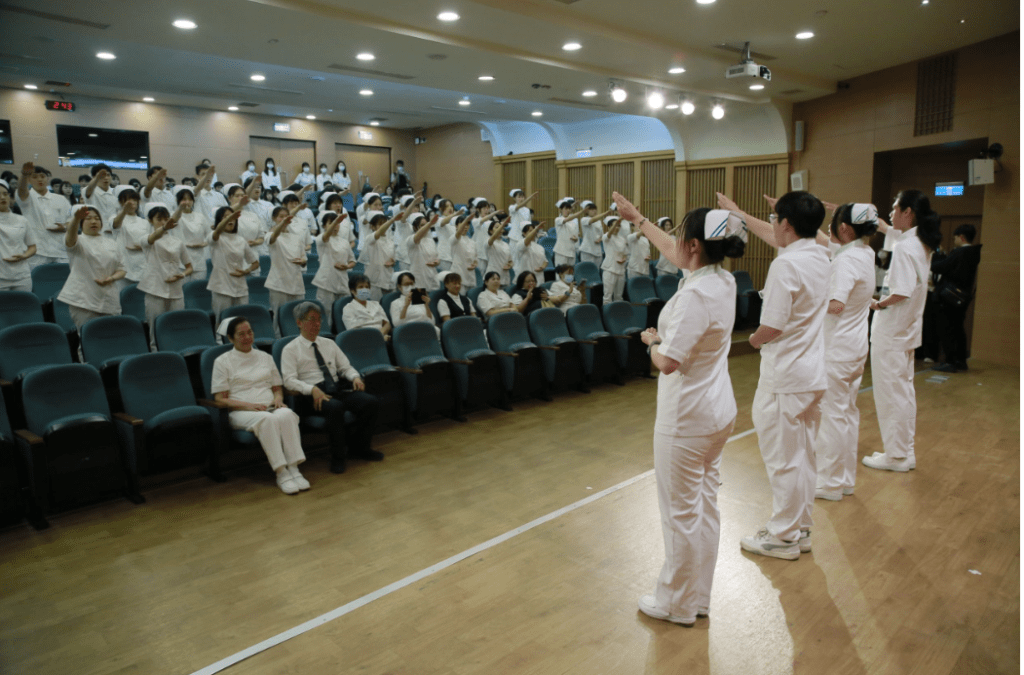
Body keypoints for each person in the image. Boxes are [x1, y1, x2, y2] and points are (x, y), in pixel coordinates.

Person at [612, 191, 745, 627]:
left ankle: (676, 603)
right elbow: (674, 252)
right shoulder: (721, 280)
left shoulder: (695, 296)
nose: (676, 242)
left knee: (680, 515)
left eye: (682, 236)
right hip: (716, 411)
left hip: (687, 419)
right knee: (704, 508)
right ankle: (697, 597)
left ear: (695, 245)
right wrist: (638, 219)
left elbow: (669, 363)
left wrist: (652, 342)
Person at [724, 190, 829, 560]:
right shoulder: (822, 255)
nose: (772, 225)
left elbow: (773, 325)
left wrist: (752, 341)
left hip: (786, 374)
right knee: (804, 455)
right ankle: (800, 528)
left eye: (774, 219)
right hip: (812, 372)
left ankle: (782, 536)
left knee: (783, 458)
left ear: (785, 223)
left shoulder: (787, 264)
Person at [863, 189, 941, 472]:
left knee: (890, 395)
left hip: (892, 331)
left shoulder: (907, 248)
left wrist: (877, 304)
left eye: (895, 208)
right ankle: (904, 452)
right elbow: (889, 229)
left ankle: (895, 456)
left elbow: (901, 291)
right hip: (905, 331)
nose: (890, 213)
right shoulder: (920, 242)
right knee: (903, 392)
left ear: (908, 212)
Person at [280, 302, 381, 473]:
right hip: (311, 395)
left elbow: (345, 367)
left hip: (334, 388)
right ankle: (338, 457)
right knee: (335, 407)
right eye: (312, 320)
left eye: (319, 319)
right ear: (299, 322)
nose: (317, 324)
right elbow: (289, 381)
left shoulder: (329, 344)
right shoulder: (290, 349)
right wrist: (311, 389)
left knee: (370, 402)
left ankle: (359, 448)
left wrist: (355, 377)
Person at [212, 317, 309, 495]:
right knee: (267, 419)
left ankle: (294, 469)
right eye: (241, 334)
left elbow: (277, 388)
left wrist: (278, 399)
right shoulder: (222, 362)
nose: (247, 337)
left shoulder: (265, 357)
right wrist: (248, 405)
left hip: (268, 406)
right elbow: (220, 399)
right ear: (231, 338)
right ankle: (281, 473)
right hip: (240, 411)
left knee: (286, 414)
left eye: (249, 332)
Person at [56, 205, 126, 330]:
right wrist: (76, 219)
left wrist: (111, 278)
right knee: (89, 336)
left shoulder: (112, 243)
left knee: (112, 335)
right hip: (84, 300)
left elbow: (122, 269)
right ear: (81, 223)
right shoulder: (78, 241)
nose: (94, 221)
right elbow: (71, 236)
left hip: (109, 298)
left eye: (97, 218)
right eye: (88, 219)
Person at [138, 202, 194, 348]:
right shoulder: (147, 239)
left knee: (177, 325)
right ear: (150, 221)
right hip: (155, 289)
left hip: (176, 289)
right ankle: (156, 354)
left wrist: (182, 275)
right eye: (159, 219)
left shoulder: (178, 242)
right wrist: (164, 228)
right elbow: (153, 237)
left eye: (165, 219)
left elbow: (189, 267)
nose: (163, 222)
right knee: (155, 328)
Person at [930, 223, 981, 372]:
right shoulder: (973, 253)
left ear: (961, 237)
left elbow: (941, 266)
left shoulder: (960, 253)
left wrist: (934, 257)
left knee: (947, 329)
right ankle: (961, 361)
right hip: (961, 297)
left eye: (955, 238)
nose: (954, 241)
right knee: (958, 329)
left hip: (949, 297)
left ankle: (951, 361)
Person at [359, 196, 419, 300]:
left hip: (388, 279)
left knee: (387, 305)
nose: (384, 227)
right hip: (373, 282)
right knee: (371, 305)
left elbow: (392, 260)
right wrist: (392, 220)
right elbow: (379, 232)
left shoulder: (390, 241)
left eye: (384, 224)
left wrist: (392, 262)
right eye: (380, 224)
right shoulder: (370, 238)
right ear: (372, 227)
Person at [16, 162, 71, 268]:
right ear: (29, 180)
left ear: (47, 178)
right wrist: (24, 175)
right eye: (35, 177)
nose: (39, 179)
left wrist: (64, 227)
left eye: (42, 176)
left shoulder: (61, 199)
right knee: (38, 278)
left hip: (61, 251)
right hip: (37, 252)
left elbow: (71, 219)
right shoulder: (27, 198)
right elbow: (22, 190)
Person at [207, 205, 259, 318]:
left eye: (232, 217)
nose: (230, 220)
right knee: (223, 320)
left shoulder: (241, 240)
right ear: (219, 220)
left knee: (241, 319)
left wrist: (246, 271)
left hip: (240, 287)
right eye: (225, 217)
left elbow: (255, 263)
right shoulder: (215, 237)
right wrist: (229, 218)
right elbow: (217, 231)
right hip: (221, 287)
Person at [312, 211, 356, 329]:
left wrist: (347, 266)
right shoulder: (321, 238)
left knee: (345, 311)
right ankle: (325, 334)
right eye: (331, 223)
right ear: (324, 226)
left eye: (337, 223)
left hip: (342, 280)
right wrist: (337, 219)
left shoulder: (344, 242)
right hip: (326, 282)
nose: (335, 226)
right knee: (326, 313)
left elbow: (352, 261)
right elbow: (326, 236)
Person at [264, 206, 306, 322]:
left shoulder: (296, 237)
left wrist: (303, 261)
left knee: (298, 318)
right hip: (278, 284)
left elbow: (304, 258)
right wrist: (282, 223)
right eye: (280, 217)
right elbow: (274, 237)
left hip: (296, 283)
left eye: (286, 217)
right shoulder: (270, 235)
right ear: (274, 218)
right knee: (279, 318)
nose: (284, 219)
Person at [0, 179, 36, 291]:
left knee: (24, 302)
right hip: (1, 277)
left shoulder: (22, 220)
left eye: (5, 194)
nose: (2, 197)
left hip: (22, 276)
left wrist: (24, 256)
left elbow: (32, 247)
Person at [170, 185, 212, 281]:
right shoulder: (174, 215)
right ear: (178, 201)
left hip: (199, 260)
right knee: (183, 288)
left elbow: (210, 235)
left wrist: (204, 244)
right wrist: (180, 208)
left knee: (197, 288)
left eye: (190, 199)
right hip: (181, 261)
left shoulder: (200, 216)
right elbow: (174, 220)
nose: (187, 202)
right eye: (184, 199)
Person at [406, 213, 442, 292]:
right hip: (418, 280)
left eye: (426, 224)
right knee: (420, 299)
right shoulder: (410, 239)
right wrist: (430, 223)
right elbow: (417, 237)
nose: (426, 227)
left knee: (433, 298)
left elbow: (437, 258)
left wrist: (437, 262)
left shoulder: (430, 241)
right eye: (422, 225)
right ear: (415, 227)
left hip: (432, 276)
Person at [601, 216, 628, 304]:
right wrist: (617, 222)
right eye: (615, 225)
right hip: (609, 269)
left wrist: (623, 258)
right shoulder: (606, 236)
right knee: (607, 296)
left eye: (618, 226)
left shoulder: (622, 239)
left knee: (619, 296)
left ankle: (618, 312)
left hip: (620, 269)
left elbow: (625, 253)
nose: (617, 227)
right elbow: (609, 234)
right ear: (609, 227)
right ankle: (607, 312)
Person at [83, 164, 118, 233]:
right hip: (97, 232)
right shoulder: (90, 191)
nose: (106, 178)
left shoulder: (116, 192)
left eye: (108, 175)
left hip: (115, 233)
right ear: (94, 177)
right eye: (102, 176)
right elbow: (89, 190)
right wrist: (97, 178)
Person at [578, 201, 613, 266]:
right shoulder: (584, 219)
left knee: (596, 269)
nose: (594, 211)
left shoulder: (599, 221)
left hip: (597, 251)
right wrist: (605, 213)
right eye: (591, 209)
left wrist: (600, 239)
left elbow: (602, 235)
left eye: (595, 209)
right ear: (587, 211)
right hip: (587, 250)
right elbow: (592, 220)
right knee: (587, 269)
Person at [449, 213, 478, 287]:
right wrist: (467, 219)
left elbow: (475, 259)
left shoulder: (472, 242)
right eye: (463, 224)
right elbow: (458, 233)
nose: (465, 226)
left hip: (470, 275)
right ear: (456, 226)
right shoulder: (454, 238)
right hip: (458, 275)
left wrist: (475, 264)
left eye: (467, 224)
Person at [553, 198, 584, 266]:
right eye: (566, 209)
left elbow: (576, 238)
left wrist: (575, 239)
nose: (568, 210)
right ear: (561, 209)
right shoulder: (558, 219)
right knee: (561, 271)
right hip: (561, 251)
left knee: (570, 271)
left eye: (569, 209)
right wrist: (581, 211)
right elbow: (567, 219)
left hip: (571, 251)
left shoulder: (573, 223)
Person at [485, 213, 514, 285]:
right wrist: (502, 225)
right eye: (497, 227)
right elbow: (493, 237)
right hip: (492, 277)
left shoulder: (506, 244)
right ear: (491, 231)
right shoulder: (488, 242)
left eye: (501, 228)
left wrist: (510, 265)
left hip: (505, 277)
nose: (500, 230)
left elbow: (510, 261)